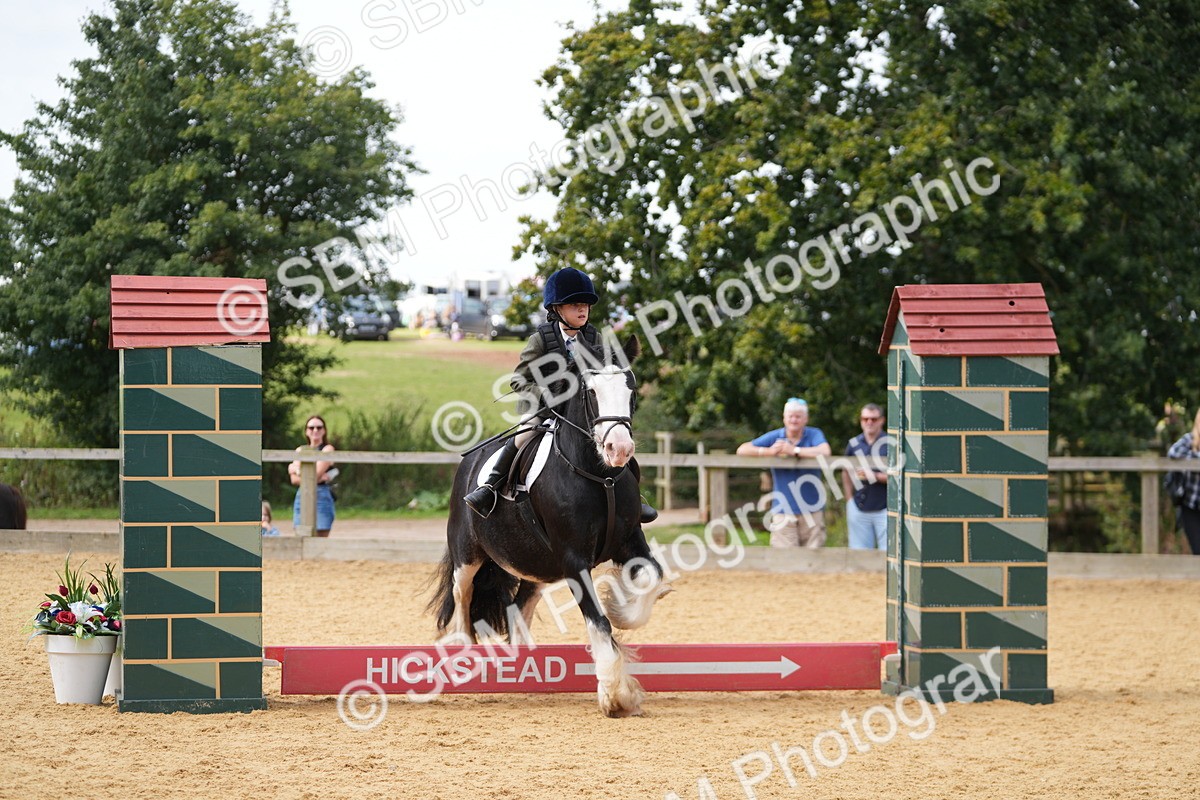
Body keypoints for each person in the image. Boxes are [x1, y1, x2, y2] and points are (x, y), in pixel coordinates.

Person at [464, 267, 658, 524]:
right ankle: (490, 488)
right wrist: (546, 397)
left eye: (586, 305)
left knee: (617, 439)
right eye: (575, 305)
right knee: (523, 436)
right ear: (557, 309)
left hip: (581, 413)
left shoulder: (593, 336)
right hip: (544, 410)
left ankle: (634, 498)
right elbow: (518, 380)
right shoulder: (540, 340)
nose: (583, 310)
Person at [736, 398, 832, 547]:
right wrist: (768, 451)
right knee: (784, 560)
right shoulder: (776, 436)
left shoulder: (814, 434)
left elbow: (825, 451)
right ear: (784, 418)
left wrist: (794, 451)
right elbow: (742, 450)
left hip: (812, 508)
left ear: (805, 419)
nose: (794, 420)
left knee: (814, 559)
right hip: (783, 508)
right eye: (790, 416)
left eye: (798, 416)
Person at [842, 403, 890, 550]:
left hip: (885, 508)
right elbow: (845, 471)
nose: (869, 422)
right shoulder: (854, 443)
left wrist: (875, 476)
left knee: (888, 555)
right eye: (865, 419)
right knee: (859, 557)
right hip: (858, 506)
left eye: (873, 419)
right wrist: (849, 499)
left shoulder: (891, 443)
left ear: (882, 420)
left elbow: (900, 477)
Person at [288, 415, 337, 537]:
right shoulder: (300, 450)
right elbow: (293, 480)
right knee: (301, 536)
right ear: (306, 431)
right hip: (302, 494)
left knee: (321, 535)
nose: (315, 430)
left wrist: (296, 470)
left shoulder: (327, 449)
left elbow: (315, 475)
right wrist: (314, 477)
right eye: (311, 427)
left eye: (319, 427)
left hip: (321, 494)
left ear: (324, 431)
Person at [1166, 409, 1200, 555]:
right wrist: (1195, 456)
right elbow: (1173, 453)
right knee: (1198, 550)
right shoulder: (1189, 439)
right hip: (1191, 505)